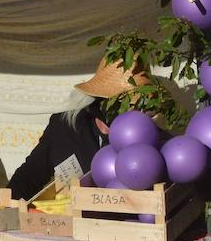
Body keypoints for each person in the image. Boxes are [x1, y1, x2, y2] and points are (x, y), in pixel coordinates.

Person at [8, 56, 150, 198]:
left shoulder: (145, 137)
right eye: (122, 102)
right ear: (100, 98)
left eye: (135, 105)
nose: (130, 110)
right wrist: (4, 207)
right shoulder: (66, 127)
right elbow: (32, 172)